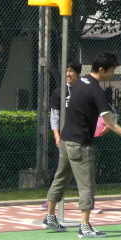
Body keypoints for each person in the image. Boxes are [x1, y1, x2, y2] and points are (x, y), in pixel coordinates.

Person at [42, 52, 121, 238]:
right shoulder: (96, 90)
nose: (113, 74)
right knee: (87, 186)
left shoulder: (79, 83)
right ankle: (84, 227)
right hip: (80, 145)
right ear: (101, 70)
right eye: (111, 71)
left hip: (65, 141)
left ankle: (50, 217)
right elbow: (111, 123)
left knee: (59, 179)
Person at [41, 60, 82, 211]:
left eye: (71, 71)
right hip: (63, 138)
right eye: (66, 71)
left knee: (82, 171)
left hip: (80, 138)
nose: (68, 74)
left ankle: (88, 201)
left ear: (78, 73)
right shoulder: (58, 93)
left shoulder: (84, 91)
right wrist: (57, 136)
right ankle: (50, 200)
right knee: (57, 169)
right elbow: (54, 117)